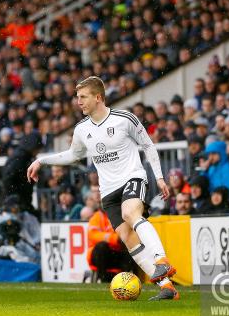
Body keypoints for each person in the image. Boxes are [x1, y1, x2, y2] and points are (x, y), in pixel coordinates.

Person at [26, 76, 177, 300]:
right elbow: (73, 155)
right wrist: (42, 161)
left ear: (98, 97)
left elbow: (147, 145)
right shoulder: (81, 129)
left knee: (130, 213)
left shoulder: (125, 119)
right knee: (127, 237)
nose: (79, 102)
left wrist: (160, 177)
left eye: (83, 97)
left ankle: (161, 260)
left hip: (132, 178)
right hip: (108, 191)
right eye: (77, 98)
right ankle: (167, 288)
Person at [0, 195, 40, 264]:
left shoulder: (22, 217)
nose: (18, 209)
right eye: (16, 207)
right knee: (13, 251)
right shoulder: (4, 219)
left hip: (6, 249)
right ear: (13, 208)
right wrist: (2, 241)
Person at [87, 205, 135, 283]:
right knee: (102, 247)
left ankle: (126, 282)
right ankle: (103, 279)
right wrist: (115, 239)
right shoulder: (97, 217)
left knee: (131, 251)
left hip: (117, 252)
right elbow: (93, 235)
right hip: (100, 255)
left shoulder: (121, 216)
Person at [2, 132, 43, 214]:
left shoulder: (23, 156)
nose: (38, 151)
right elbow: (9, 178)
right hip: (17, 202)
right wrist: (14, 198)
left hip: (20, 200)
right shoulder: (21, 158)